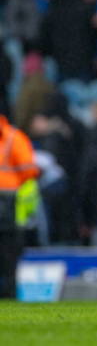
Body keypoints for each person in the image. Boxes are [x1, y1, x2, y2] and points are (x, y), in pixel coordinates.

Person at [0, 114, 39, 299]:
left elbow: (29, 170)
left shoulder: (14, 138)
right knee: (8, 255)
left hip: (8, 203)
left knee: (8, 254)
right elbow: (29, 170)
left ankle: (8, 293)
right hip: (9, 201)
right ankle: (8, 293)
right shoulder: (15, 137)